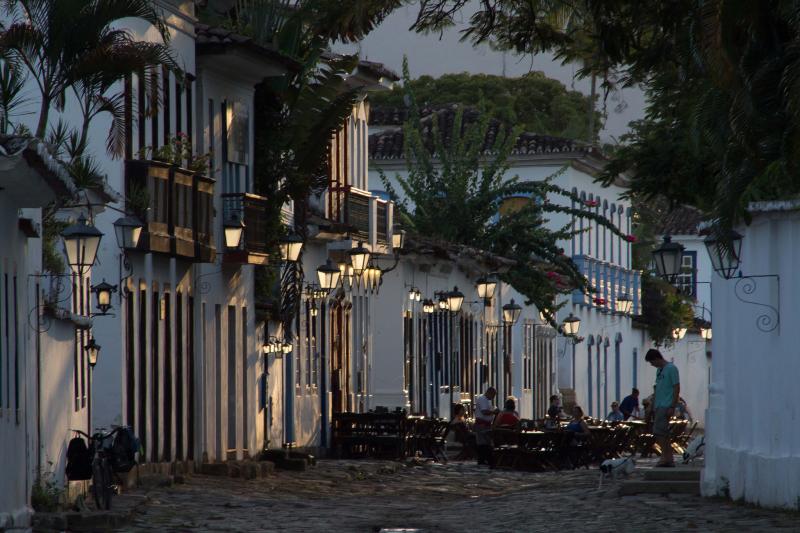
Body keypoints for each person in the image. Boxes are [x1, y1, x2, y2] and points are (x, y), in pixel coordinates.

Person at [646, 348, 680, 467]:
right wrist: (652, 404)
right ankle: (668, 458)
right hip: (659, 405)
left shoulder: (671, 369)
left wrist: (672, 406)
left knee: (659, 431)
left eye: (652, 362)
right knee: (662, 432)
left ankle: (665, 457)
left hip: (666, 404)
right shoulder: (659, 371)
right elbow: (657, 388)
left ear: (657, 358)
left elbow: (676, 387)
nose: (652, 365)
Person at [474, 387, 499, 466]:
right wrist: (494, 412)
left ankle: (484, 459)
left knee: (485, 442)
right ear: (489, 393)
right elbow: (484, 412)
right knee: (482, 442)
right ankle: (481, 460)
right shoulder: (483, 399)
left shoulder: (487, 400)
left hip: (486, 424)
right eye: (493, 395)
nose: (493, 397)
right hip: (482, 424)